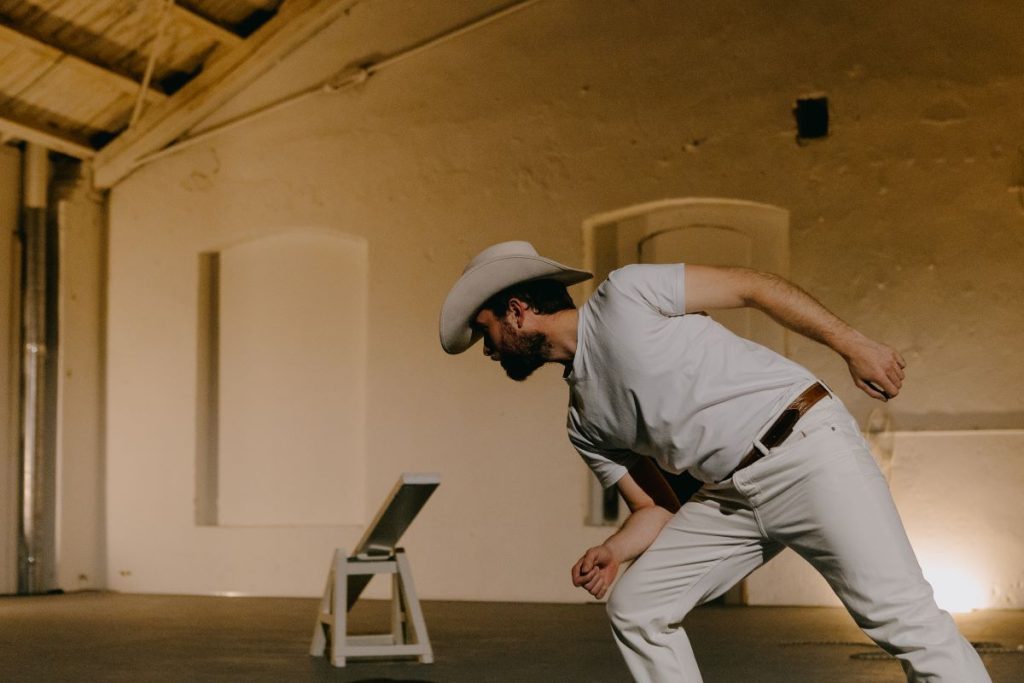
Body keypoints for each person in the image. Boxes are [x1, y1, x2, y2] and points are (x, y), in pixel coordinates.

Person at [440, 240, 990, 682]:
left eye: (485, 331)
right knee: (638, 606)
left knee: (900, 619)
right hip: (730, 497)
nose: (486, 350)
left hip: (803, 450)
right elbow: (656, 507)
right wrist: (614, 549)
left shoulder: (626, 294)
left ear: (517, 311)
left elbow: (753, 287)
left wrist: (852, 344)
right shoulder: (583, 421)